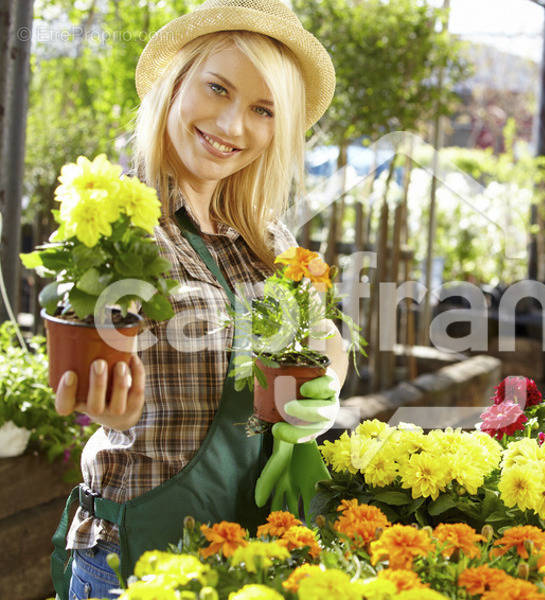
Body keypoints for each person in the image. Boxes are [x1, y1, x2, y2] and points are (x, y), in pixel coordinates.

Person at [49, 2, 345, 598]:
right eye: (218, 88)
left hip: (250, 555)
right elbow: (85, 363)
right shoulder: (119, 223)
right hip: (136, 560)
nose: (233, 126)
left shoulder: (264, 236)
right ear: (176, 81)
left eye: (263, 110)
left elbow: (326, 339)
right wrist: (109, 410)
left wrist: (325, 391)